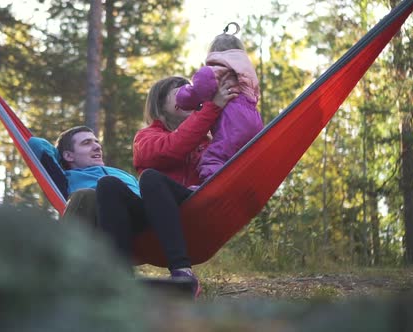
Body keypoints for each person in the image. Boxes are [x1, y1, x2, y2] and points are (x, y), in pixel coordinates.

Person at [53, 126, 203, 298]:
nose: (97, 146)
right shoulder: (67, 177)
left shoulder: (120, 173)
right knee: (107, 184)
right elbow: (36, 146)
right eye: (86, 143)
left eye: (96, 141)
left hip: (158, 214)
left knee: (149, 177)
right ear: (68, 155)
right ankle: (121, 280)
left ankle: (183, 272)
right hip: (116, 223)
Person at [175, 22, 264, 182]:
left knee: (214, 156)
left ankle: (213, 184)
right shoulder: (246, 72)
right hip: (255, 123)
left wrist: (182, 95)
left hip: (232, 122)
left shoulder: (215, 71)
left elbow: (198, 89)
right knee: (240, 159)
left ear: (213, 53)